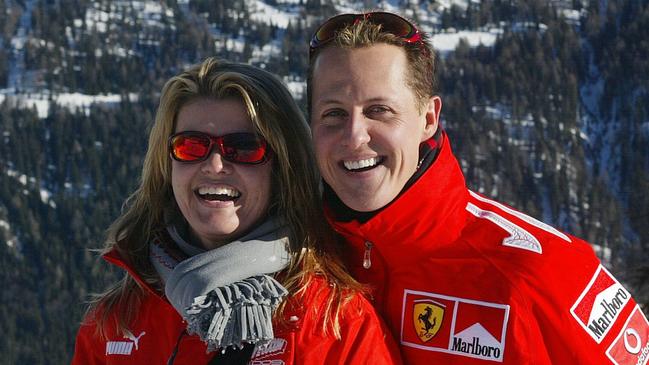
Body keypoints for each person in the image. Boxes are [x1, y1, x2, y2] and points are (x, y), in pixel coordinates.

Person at [307, 11, 649, 364]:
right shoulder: (299, 265)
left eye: (379, 110)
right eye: (333, 113)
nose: (354, 136)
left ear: (428, 119)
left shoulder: (544, 271)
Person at [72, 57, 402, 365]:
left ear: (283, 169)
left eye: (244, 148)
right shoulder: (114, 323)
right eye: (191, 146)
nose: (215, 165)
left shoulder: (335, 321)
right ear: (167, 164)